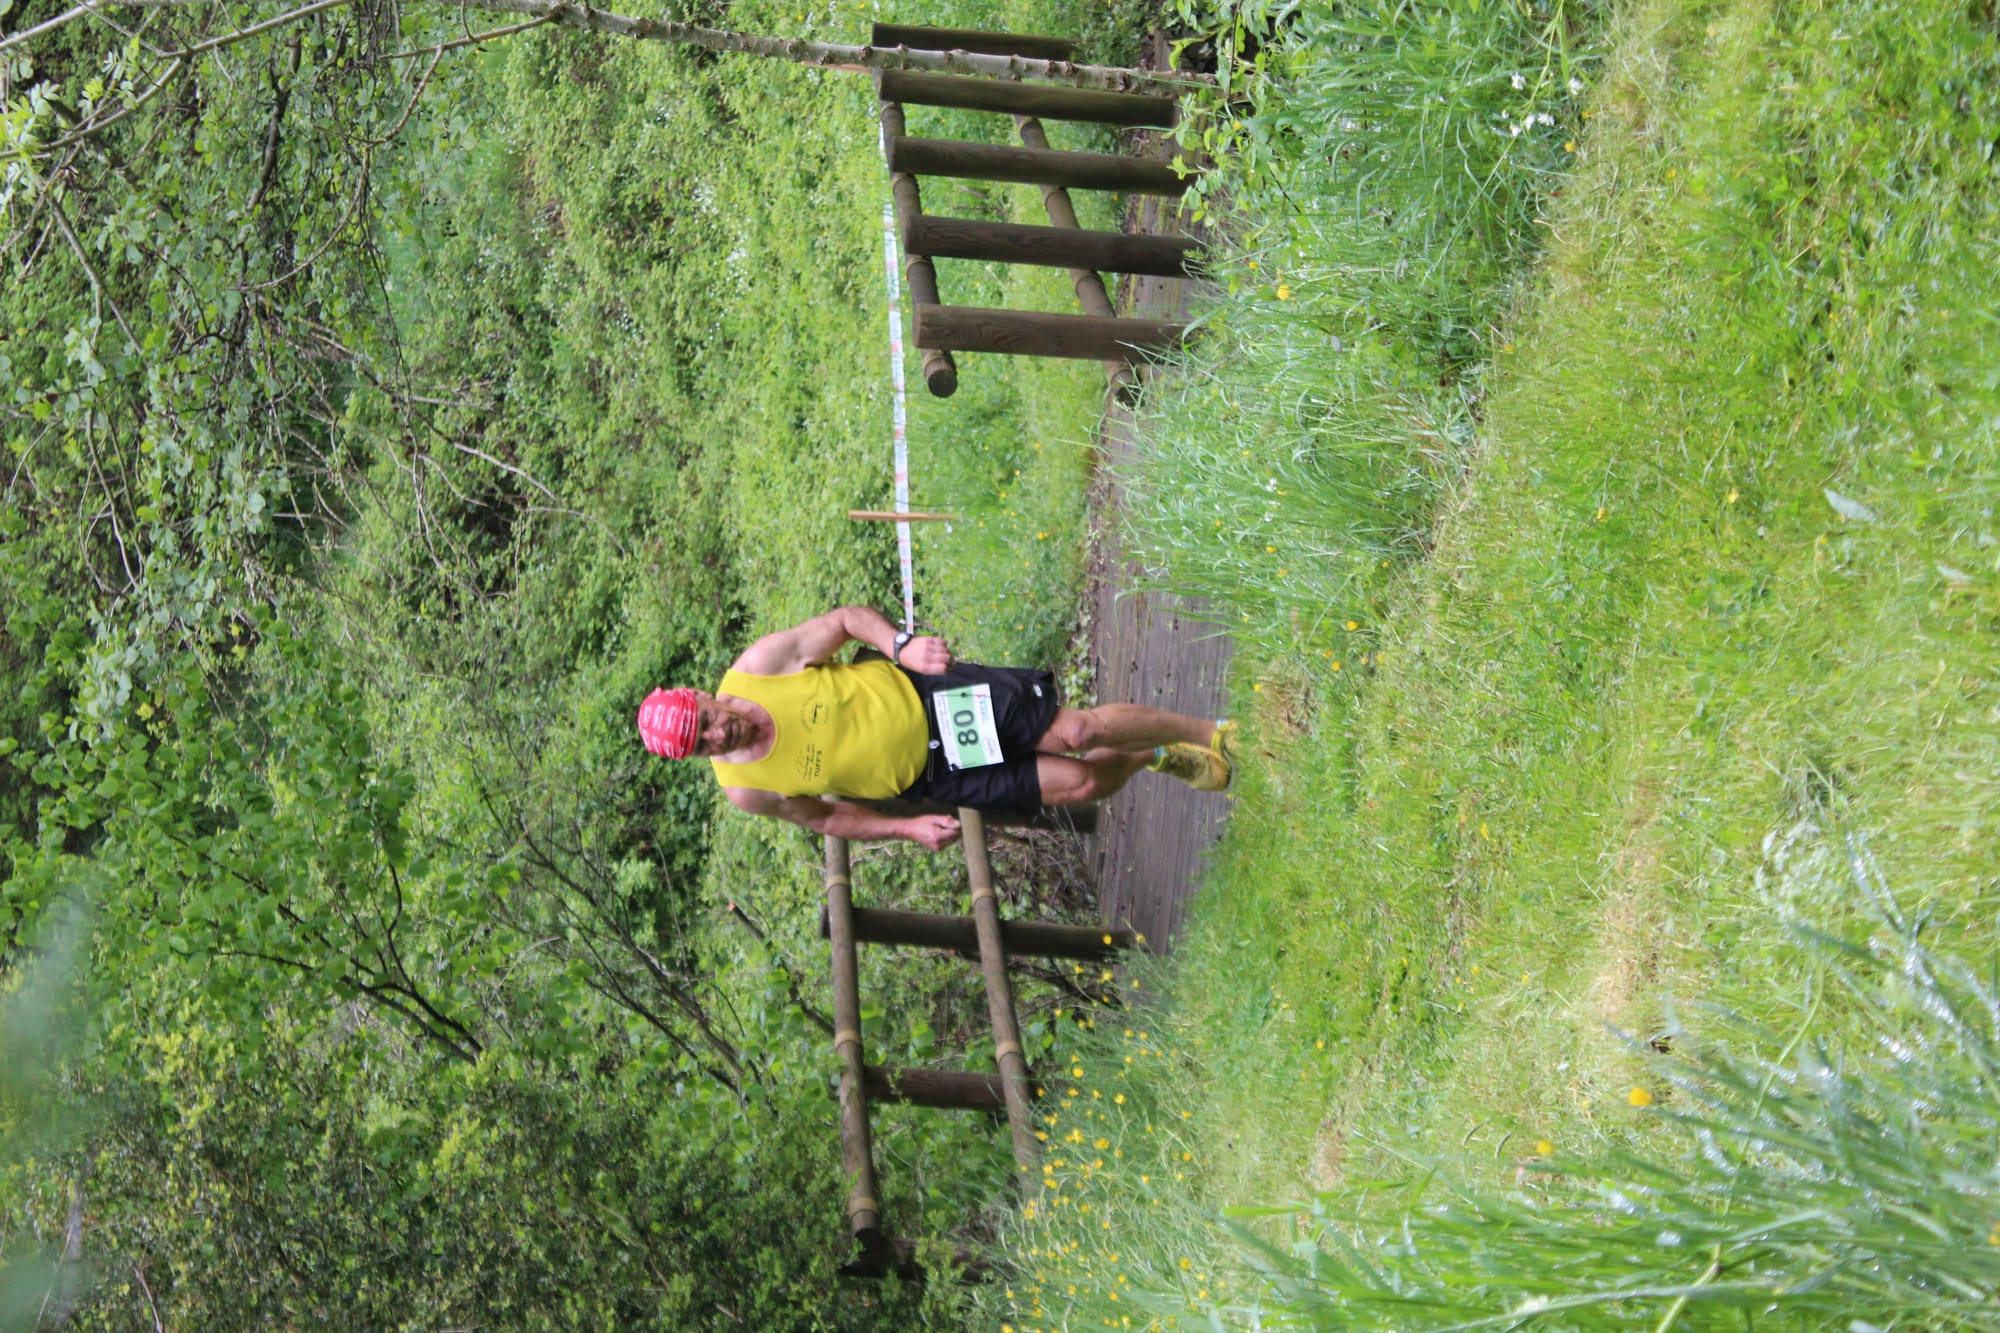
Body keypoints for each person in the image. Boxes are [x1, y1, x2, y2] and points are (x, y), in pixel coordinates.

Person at [637, 605, 1237, 851]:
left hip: (934, 704)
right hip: (934, 774)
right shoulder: (746, 788)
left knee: (1076, 733)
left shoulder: (759, 668)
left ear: (701, 695)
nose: (718, 737)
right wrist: (907, 829)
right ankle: (1155, 755)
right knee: (1080, 787)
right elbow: (825, 818)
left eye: (708, 722)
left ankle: (1212, 730)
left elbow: (845, 621)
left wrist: (901, 647)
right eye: (702, 745)